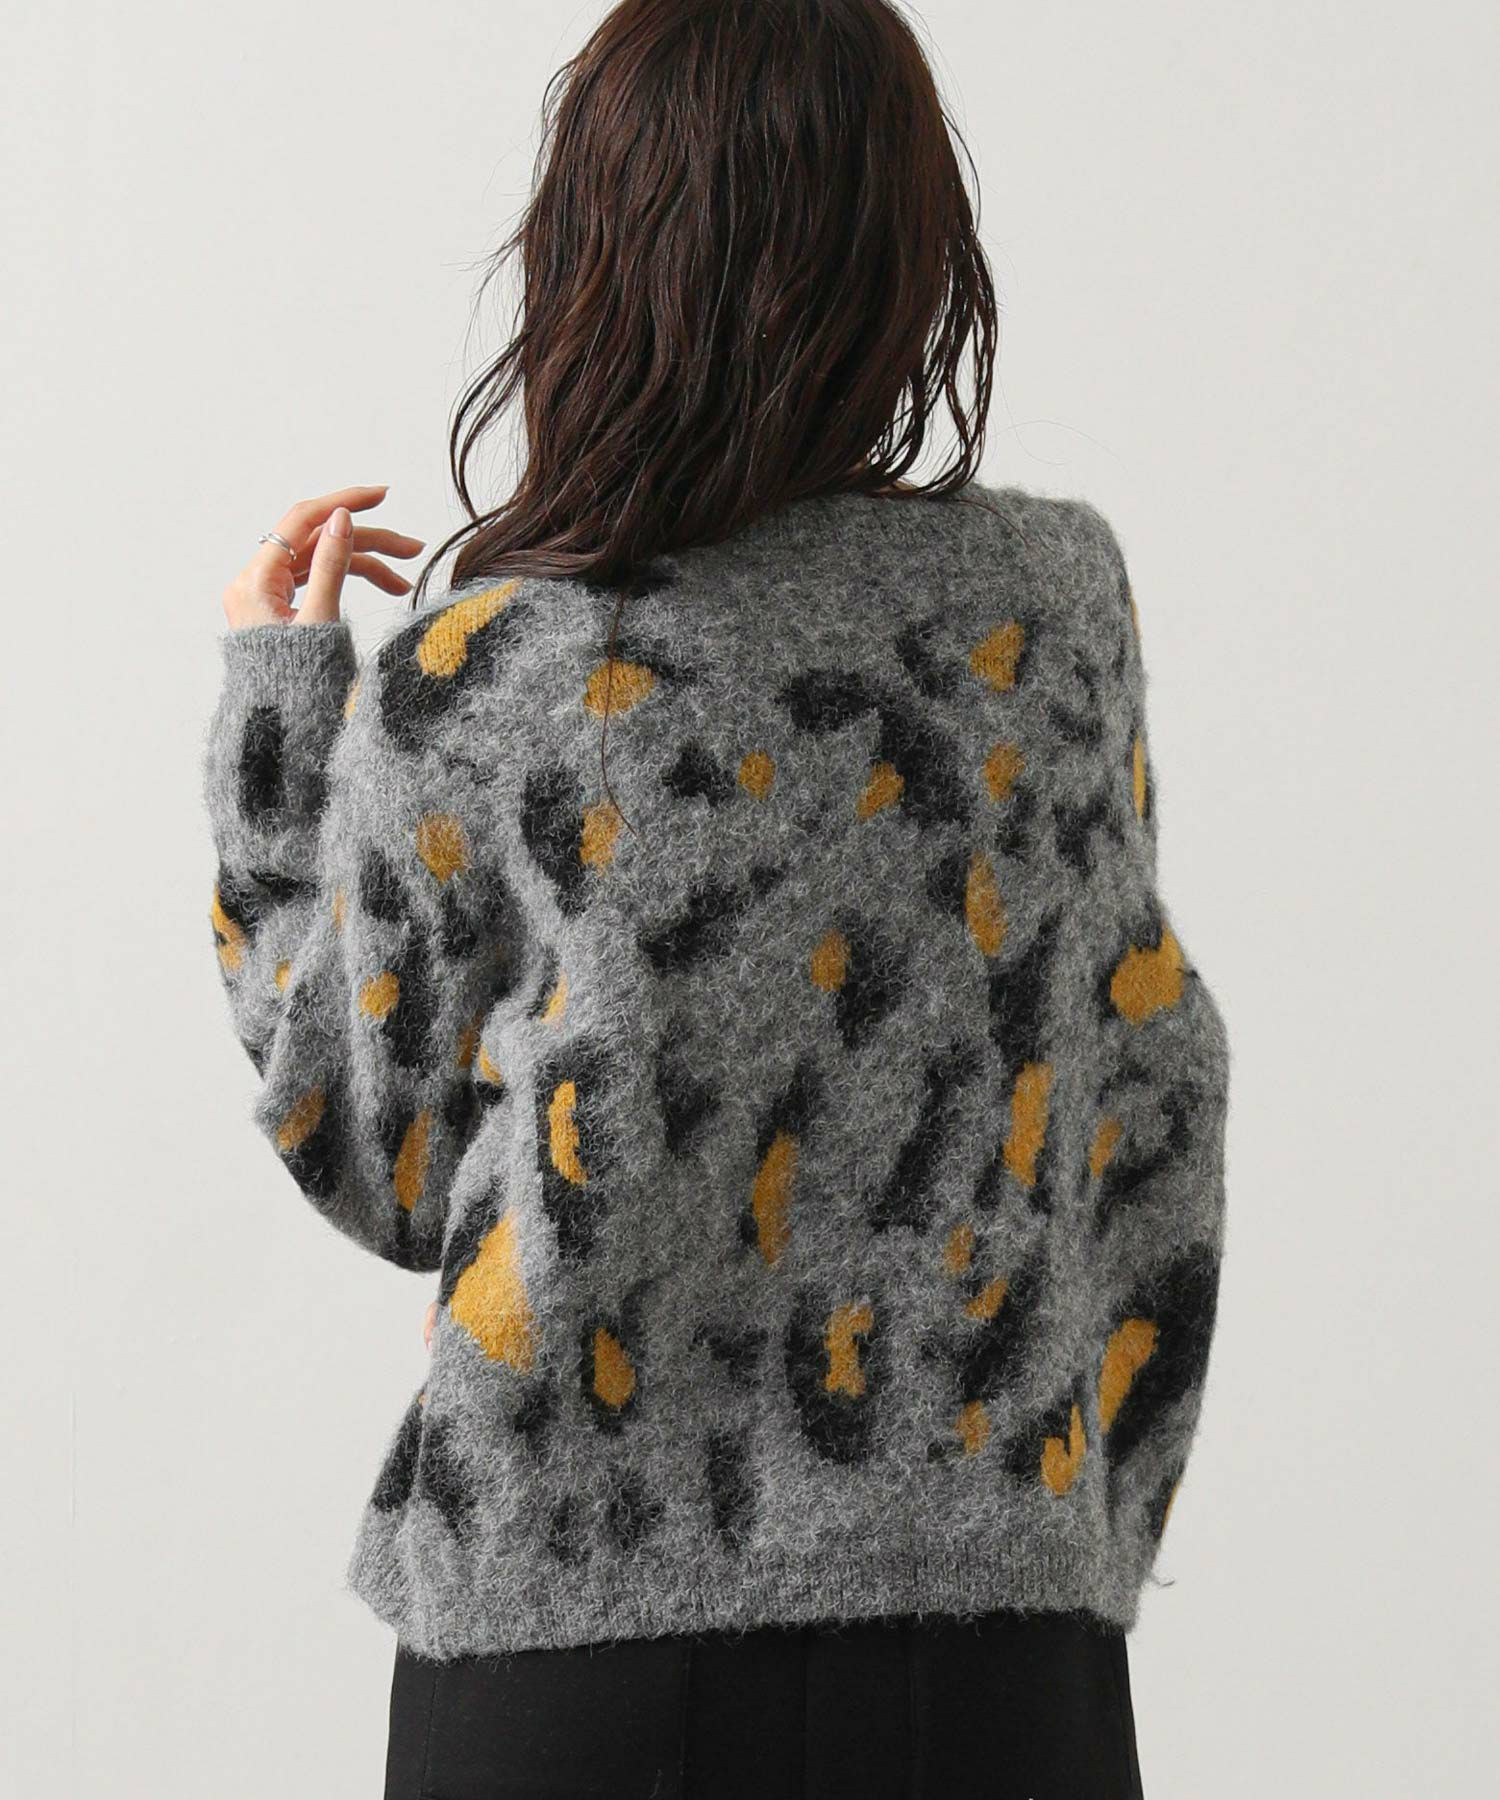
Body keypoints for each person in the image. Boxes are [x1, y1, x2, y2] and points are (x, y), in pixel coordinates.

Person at [203, 3, 1229, 1794]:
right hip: (995, 1655)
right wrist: (1071, 1533)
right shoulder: (1052, 614)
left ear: (599, 251)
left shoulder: (487, 670)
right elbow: (1152, 1090)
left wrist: (282, 722)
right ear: (909, 246)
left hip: (563, 1665)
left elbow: (378, 1155)